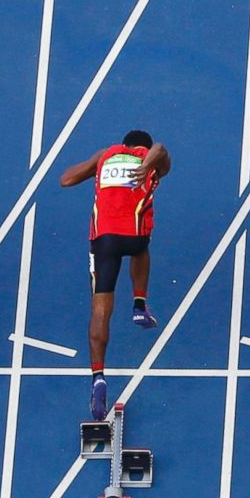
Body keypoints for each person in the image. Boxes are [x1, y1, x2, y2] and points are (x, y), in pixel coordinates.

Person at [59, 130, 170, 421]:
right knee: (141, 249)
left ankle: (98, 377)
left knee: (99, 309)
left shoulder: (105, 155)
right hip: (133, 236)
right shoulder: (149, 157)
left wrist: (96, 167)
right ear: (141, 148)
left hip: (104, 239)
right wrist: (146, 167)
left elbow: (66, 179)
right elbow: (161, 149)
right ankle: (138, 304)